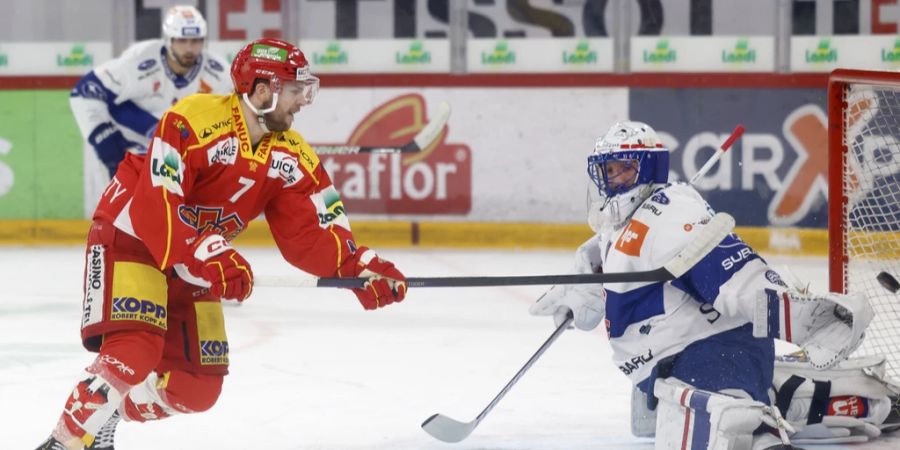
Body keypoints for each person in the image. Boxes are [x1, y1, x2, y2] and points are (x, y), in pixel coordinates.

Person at [38, 38, 407, 450]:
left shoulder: (293, 155)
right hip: (134, 236)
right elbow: (156, 203)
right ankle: (65, 441)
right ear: (262, 90)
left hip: (195, 258)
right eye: (294, 90)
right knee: (135, 348)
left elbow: (311, 233)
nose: (303, 101)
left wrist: (359, 266)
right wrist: (207, 252)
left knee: (197, 387)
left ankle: (106, 414)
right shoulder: (190, 119)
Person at [529, 121, 899, 449]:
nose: (611, 181)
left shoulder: (672, 216)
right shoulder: (625, 220)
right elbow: (607, 254)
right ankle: (867, 401)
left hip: (715, 352)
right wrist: (585, 286)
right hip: (676, 360)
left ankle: (761, 436)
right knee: (715, 403)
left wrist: (804, 317)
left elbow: (735, 276)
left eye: (622, 171)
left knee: (722, 422)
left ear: (648, 170)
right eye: (607, 171)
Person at [70, 5, 232, 180]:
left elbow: (239, 115)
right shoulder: (141, 60)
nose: (190, 49)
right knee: (122, 205)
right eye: (182, 40)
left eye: (196, 41)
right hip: (131, 152)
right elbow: (86, 90)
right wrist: (103, 137)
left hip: (181, 155)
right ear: (169, 39)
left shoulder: (219, 73)